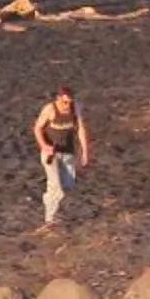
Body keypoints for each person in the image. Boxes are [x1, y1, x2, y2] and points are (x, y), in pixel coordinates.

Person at [33, 85, 89, 225]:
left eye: (69, 102)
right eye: (64, 102)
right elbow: (37, 128)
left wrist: (85, 153)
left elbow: (81, 130)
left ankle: (51, 202)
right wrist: (44, 146)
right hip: (51, 153)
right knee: (56, 187)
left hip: (68, 152)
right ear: (58, 99)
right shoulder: (50, 109)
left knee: (68, 185)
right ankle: (50, 219)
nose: (67, 105)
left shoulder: (76, 108)